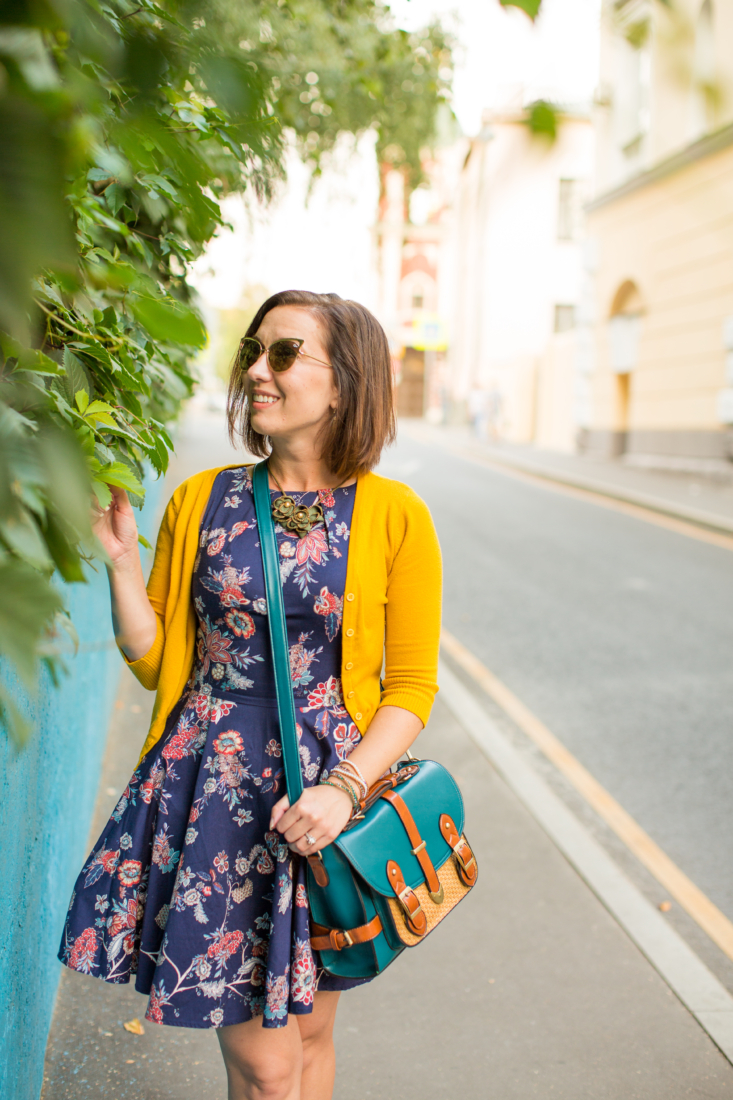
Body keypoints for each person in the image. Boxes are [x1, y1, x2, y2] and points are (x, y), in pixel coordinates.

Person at [58, 290, 443, 1100]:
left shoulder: (395, 517)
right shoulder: (204, 499)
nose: (257, 372)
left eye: (284, 353)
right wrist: (124, 566)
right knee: (267, 1068)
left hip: (325, 800)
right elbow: (156, 659)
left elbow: (410, 686)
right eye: (253, 352)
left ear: (344, 385)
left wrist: (346, 789)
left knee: (308, 1037)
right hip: (214, 794)